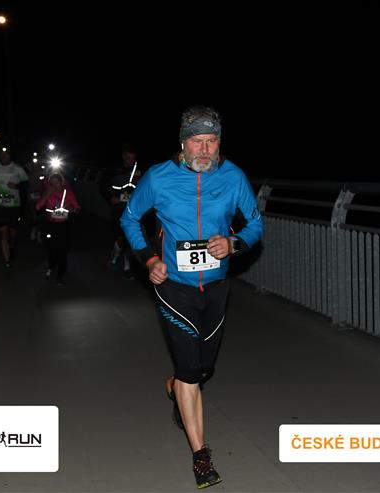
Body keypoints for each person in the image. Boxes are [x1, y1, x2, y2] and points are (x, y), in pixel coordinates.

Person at [120, 106, 263, 489]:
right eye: (197, 141)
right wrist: (149, 259)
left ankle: (177, 386)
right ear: (182, 142)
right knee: (189, 371)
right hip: (173, 287)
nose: (204, 149)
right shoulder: (159, 177)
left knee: (202, 370)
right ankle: (201, 456)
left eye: (211, 141)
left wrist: (233, 244)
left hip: (216, 288)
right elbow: (129, 218)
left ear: (220, 142)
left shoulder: (233, 176)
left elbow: (255, 224)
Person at [102, 146, 141, 279]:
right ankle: (115, 255)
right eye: (128, 158)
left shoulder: (140, 170)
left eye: (133, 158)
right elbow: (102, 185)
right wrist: (110, 197)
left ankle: (127, 268)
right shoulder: (114, 169)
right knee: (120, 239)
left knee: (130, 240)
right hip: (118, 209)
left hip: (134, 211)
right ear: (123, 157)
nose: (130, 161)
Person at [36, 172, 80, 284]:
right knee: (51, 248)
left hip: (63, 225)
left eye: (57, 183)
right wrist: (47, 195)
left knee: (63, 250)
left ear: (62, 182)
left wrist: (73, 209)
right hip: (50, 225)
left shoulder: (68, 193)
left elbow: (77, 209)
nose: (55, 186)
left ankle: (60, 274)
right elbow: (38, 207)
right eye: (52, 184)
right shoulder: (48, 193)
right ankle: (51, 266)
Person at [0, 150, 28, 268]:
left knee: (13, 232)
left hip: (14, 205)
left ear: (10, 155)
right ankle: (7, 261)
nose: (4, 156)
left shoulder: (18, 168)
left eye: (6, 154)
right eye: (2, 154)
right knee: (3, 232)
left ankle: (12, 246)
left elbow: (26, 184)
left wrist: (16, 186)